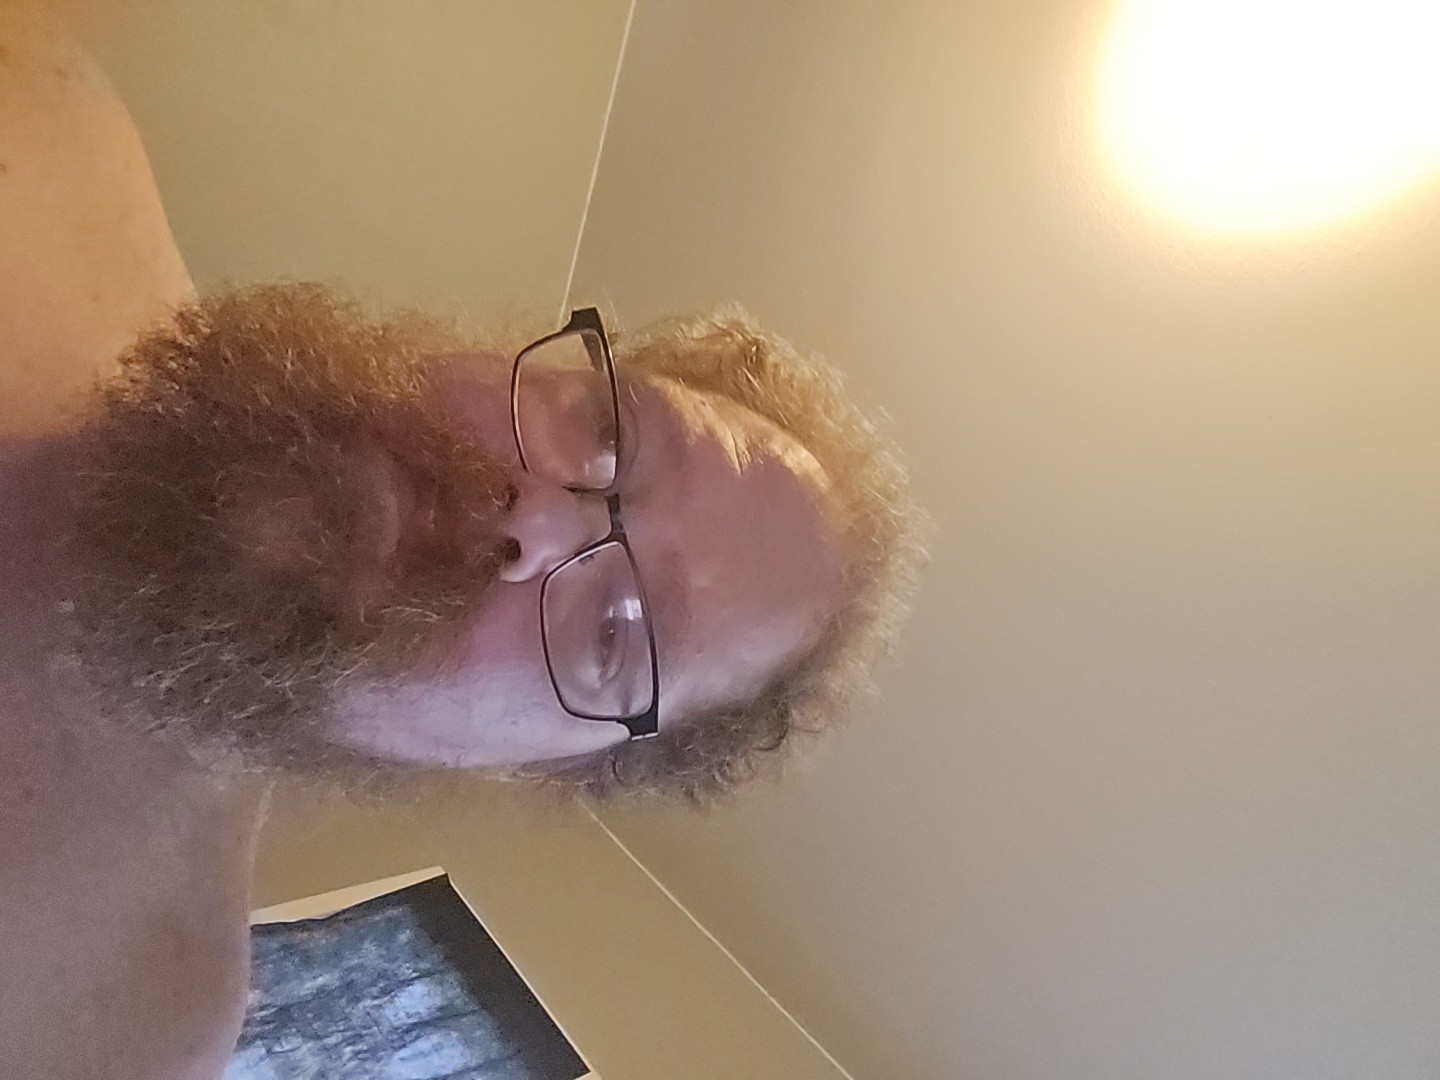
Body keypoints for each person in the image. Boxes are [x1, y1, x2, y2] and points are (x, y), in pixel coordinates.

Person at [0, 3, 924, 1077]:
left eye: (617, 632)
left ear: (537, 765)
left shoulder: (115, 1022)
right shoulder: (48, 133)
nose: (538, 517)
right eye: (610, 433)